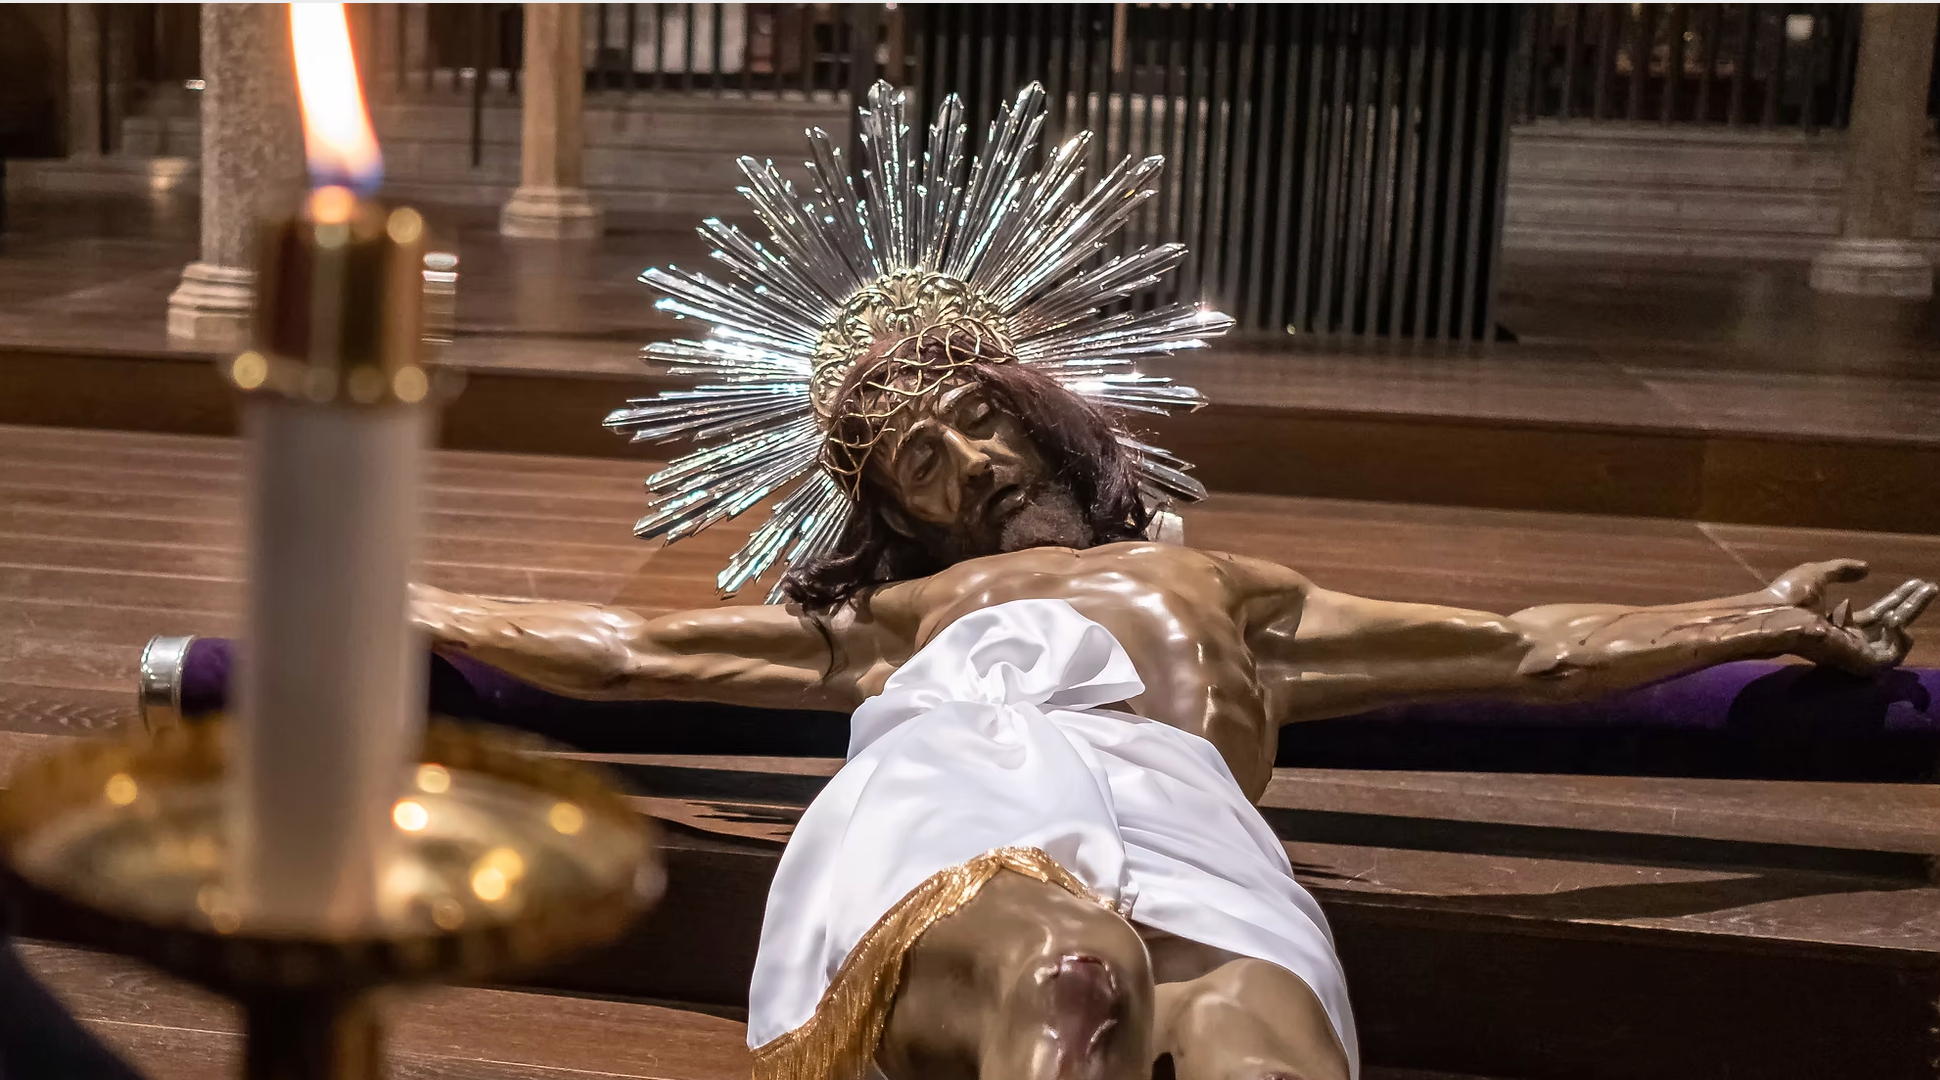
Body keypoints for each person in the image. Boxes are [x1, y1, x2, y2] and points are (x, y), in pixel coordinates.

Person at [408, 84, 1933, 1080]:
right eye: (919, 464)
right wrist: (390, 605)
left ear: (1039, 408)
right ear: (898, 517)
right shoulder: (894, 623)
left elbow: (1530, 647)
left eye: (977, 415)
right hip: (964, 822)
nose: (968, 461)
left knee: (1269, 1059)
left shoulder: (1228, 594)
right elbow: (615, 652)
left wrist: (1757, 613)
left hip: (1207, 848)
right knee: (1072, 980)